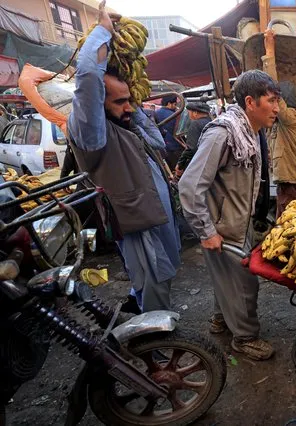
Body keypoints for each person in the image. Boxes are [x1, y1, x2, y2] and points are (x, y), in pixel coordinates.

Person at [67, 2, 181, 312]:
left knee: (161, 281)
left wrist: (131, 105)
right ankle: (155, 352)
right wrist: (103, 30)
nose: (127, 107)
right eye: (119, 102)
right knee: (154, 288)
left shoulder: (128, 123)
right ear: (97, 105)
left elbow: (155, 140)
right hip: (139, 227)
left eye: (128, 99)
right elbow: (89, 76)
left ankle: (149, 336)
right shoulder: (92, 133)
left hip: (156, 219)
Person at [179, 70, 279, 361]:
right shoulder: (223, 133)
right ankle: (245, 338)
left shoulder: (250, 131)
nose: (276, 108)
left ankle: (221, 319)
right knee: (245, 285)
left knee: (227, 279)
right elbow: (189, 185)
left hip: (239, 224)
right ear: (250, 101)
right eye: (271, 101)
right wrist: (207, 231)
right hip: (222, 229)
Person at [262, 29, 296, 218]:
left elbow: (272, 87)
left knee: (288, 223)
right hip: (286, 181)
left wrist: (270, 51)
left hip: (292, 183)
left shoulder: (292, 119)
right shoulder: (281, 124)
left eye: (276, 101)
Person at [175, 101, 212, 178]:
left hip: (199, 165)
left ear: (195, 113)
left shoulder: (195, 124)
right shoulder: (211, 122)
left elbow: (191, 148)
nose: (188, 115)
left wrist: (180, 165)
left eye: (189, 112)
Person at [155, 95, 183, 169]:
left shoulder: (155, 113)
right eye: (175, 104)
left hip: (162, 147)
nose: (175, 106)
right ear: (169, 103)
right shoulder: (175, 115)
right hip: (175, 147)